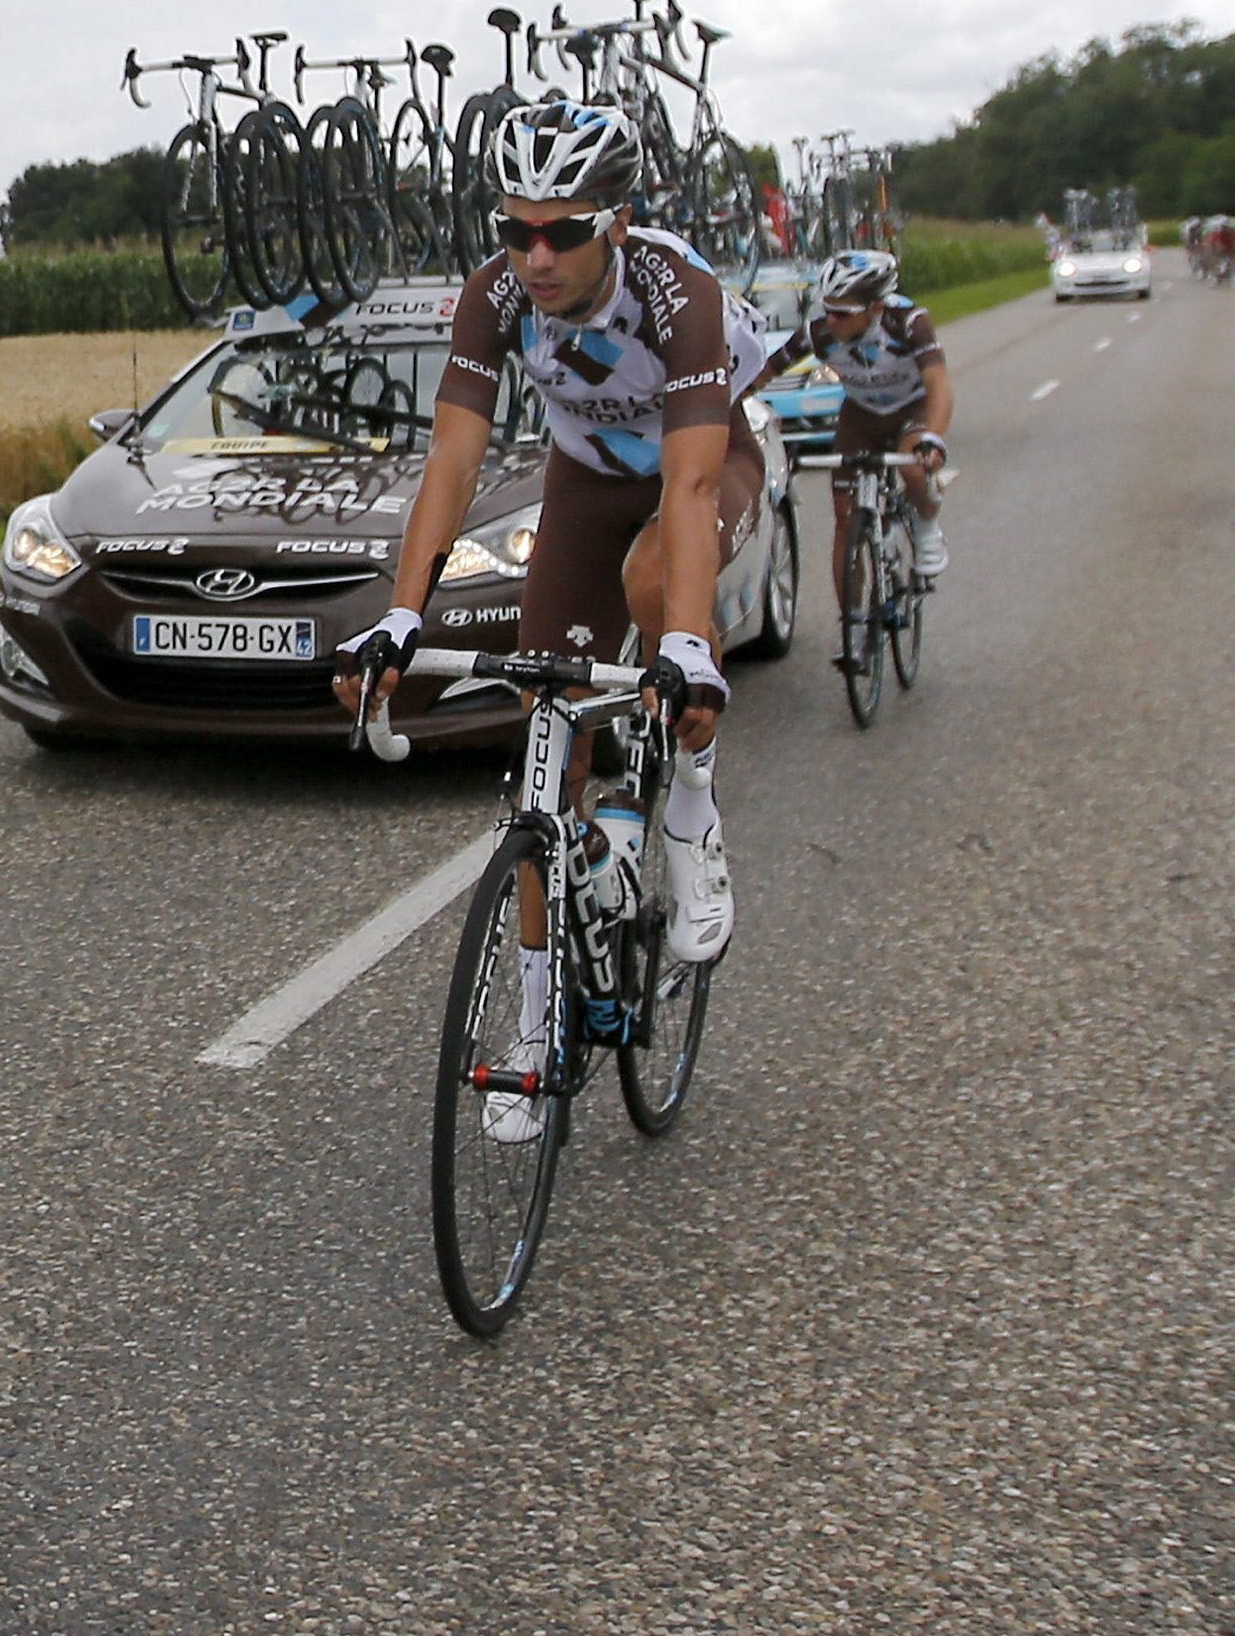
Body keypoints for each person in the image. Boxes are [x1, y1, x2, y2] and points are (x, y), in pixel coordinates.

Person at [339, 100, 772, 1143]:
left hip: (700, 470)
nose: (535, 255)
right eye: (513, 229)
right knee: (546, 725)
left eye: (561, 231)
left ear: (613, 223)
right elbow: (452, 459)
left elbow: (692, 470)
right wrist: (402, 618)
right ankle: (533, 1026)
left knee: (653, 582)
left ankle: (689, 810)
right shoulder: (495, 299)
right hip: (584, 481)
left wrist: (684, 647)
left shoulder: (678, 292)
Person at [773, 246, 953, 581]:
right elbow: (761, 374)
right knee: (844, 518)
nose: (831, 320)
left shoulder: (909, 323)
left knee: (914, 469)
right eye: (827, 310)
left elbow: (938, 384)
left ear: (877, 307)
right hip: (862, 413)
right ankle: (854, 625)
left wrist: (933, 438)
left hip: (910, 408)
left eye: (842, 313)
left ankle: (927, 526)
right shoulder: (821, 333)